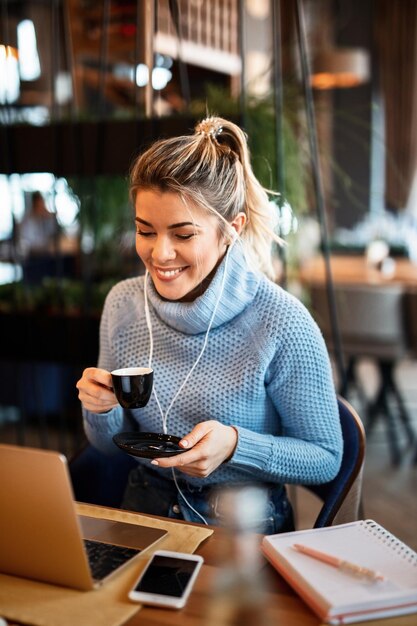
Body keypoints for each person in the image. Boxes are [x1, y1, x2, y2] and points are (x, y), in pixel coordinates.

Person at [77, 116, 343, 533]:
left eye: (183, 235)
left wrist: (237, 446)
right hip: (144, 504)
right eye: (145, 231)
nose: (160, 254)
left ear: (230, 230)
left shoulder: (281, 321)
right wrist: (100, 409)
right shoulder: (124, 305)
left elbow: (326, 458)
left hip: (243, 521)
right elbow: (107, 442)